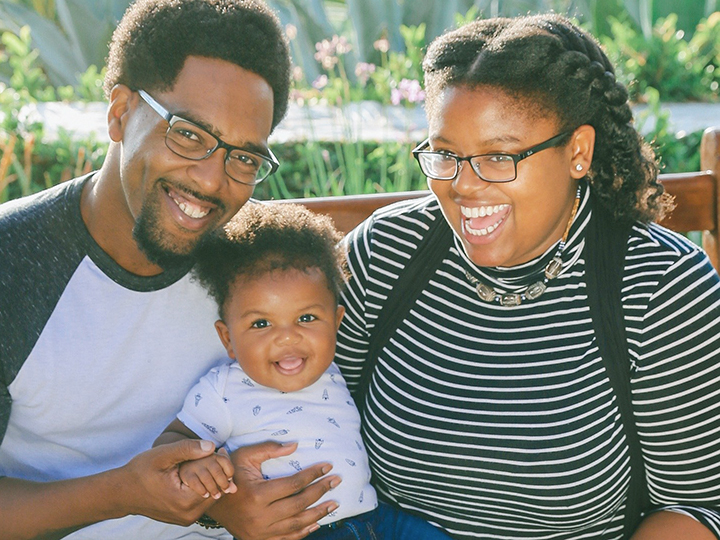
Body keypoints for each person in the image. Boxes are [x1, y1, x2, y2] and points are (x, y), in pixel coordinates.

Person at [327, 13, 720, 540]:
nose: (463, 185)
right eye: (446, 154)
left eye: (497, 156)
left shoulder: (661, 290)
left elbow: (695, 507)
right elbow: (300, 406)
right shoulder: (388, 254)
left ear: (578, 152)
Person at [0, 1, 339, 539]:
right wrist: (121, 492)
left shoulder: (254, 267)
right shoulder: (11, 262)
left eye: (244, 158)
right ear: (119, 113)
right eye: (188, 134)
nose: (211, 180)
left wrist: (218, 504)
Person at [154, 202, 451, 539]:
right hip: (300, 531)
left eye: (307, 318)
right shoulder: (224, 389)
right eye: (261, 323)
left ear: (336, 323)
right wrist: (199, 466)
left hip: (377, 520)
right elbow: (172, 443)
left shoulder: (332, 370)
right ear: (229, 339)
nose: (287, 336)